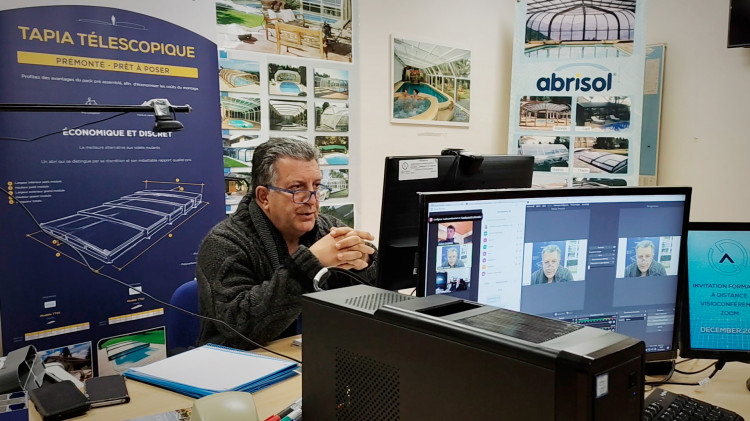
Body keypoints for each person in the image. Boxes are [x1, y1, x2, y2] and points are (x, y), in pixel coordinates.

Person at [196, 138, 377, 349]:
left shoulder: (329, 228)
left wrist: (365, 263)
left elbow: (373, 302)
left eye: (316, 186)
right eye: (297, 188)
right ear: (264, 197)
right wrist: (308, 265)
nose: (312, 200)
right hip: (241, 366)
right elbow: (238, 328)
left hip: (317, 353)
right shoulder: (223, 243)